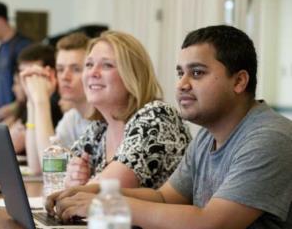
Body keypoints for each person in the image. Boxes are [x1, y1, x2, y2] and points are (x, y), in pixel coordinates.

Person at [46, 25, 292, 229]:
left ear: (239, 81)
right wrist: (92, 192)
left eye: (197, 73)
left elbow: (212, 223)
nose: (182, 84)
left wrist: (104, 205)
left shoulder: (269, 138)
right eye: (180, 73)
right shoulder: (208, 136)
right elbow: (165, 197)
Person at [61, 30, 191, 189]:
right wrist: (70, 180)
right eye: (89, 64)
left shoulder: (157, 116)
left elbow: (107, 192)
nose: (92, 73)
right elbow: (57, 182)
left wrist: (74, 189)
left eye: (107, 65)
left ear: (133, 74)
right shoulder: (98, 130)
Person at [20, 33, 91, 174]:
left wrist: (41, 101)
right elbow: (37, 167)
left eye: (76, 69)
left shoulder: (102, 120)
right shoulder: (72, 117)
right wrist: (31, 101)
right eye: (60, 69)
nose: (65, 76)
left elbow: (52, 169)